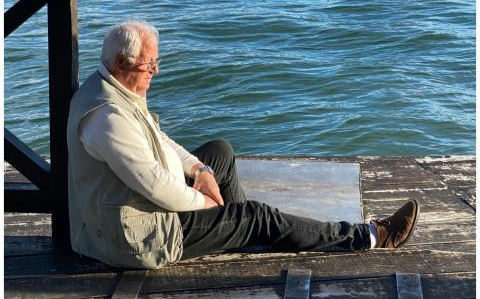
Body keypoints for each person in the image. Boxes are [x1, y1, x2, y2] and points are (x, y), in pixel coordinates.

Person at [67, 21, 419, 269]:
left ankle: (242, 232)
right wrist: (203, 203)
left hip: (136, 210)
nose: (156, 72)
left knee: (219, 151)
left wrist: (200, 170)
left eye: (157, 62)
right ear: (120, 63)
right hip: (138, 237)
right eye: (149, 65)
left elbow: (159, 139)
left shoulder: (112, 88)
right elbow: (157, 188)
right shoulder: (107, 117)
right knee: (256, 215)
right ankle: (369, 236)